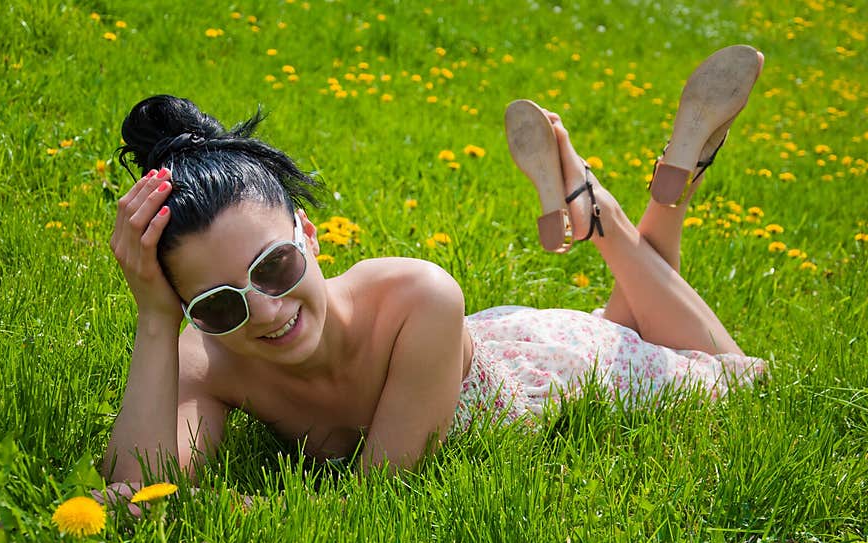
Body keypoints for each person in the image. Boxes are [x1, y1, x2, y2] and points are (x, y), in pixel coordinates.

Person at [102, 45, 767, 491]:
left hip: (551, 365)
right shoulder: (202, 352)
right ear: (189, 308)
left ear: (308, 232)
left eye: (274, 266)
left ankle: (610, 219)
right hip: (492, 340)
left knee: (741, 379)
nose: (268, 309)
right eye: (220, 303)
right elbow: (138, 490)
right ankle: (620, 200)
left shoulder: (418, 292)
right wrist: (155, 321)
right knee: (637, 321)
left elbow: (371, 499)